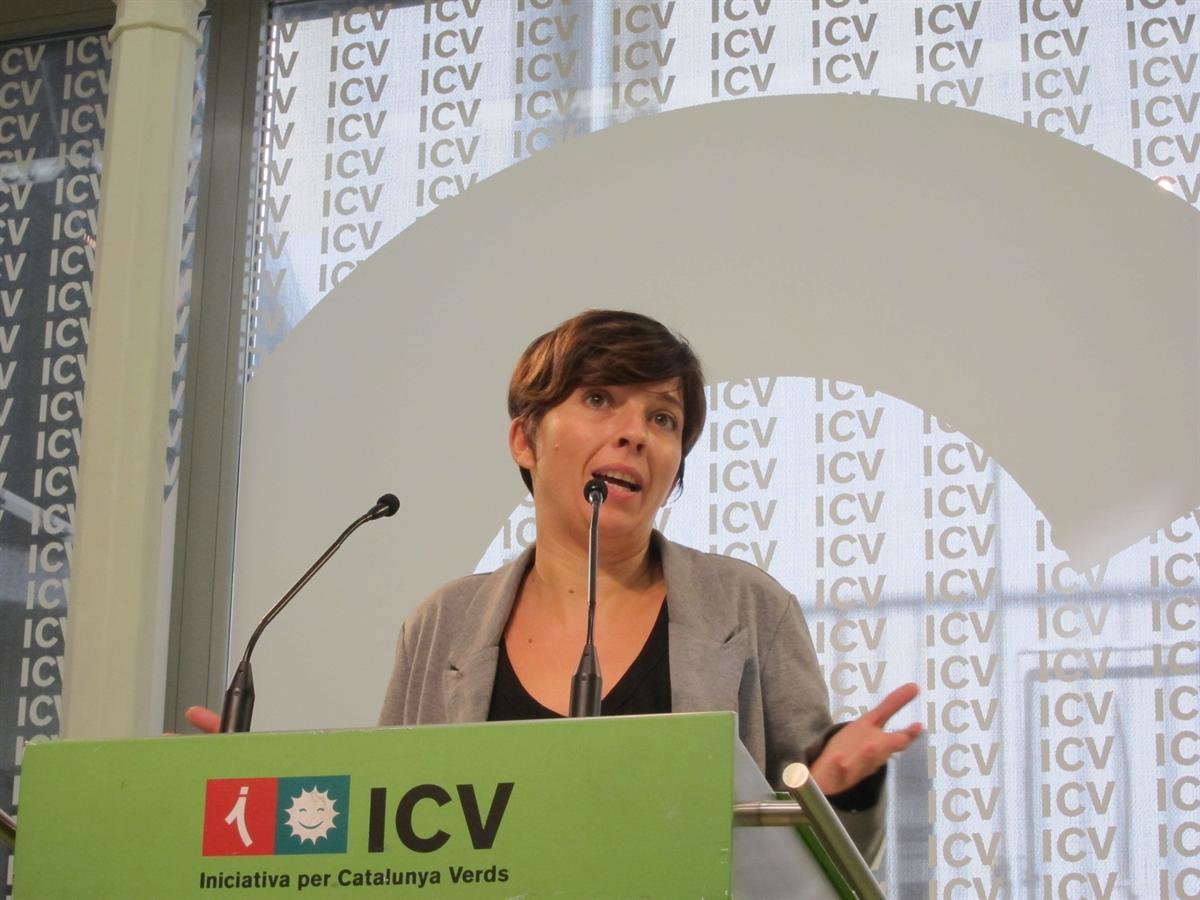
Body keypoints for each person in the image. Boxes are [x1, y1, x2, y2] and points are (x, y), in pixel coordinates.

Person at [189, 309, 919, 855]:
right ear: (525, 439)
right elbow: (391, 836)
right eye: (599, 399)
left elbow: (826, 851)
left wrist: (841, 788)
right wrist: (263, 795)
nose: (635, 432)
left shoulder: (749, 609)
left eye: (663, 418)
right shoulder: (443, 624)